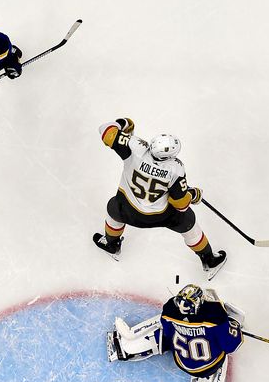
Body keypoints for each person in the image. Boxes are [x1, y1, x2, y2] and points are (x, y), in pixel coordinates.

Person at [93, 117, 227, 280]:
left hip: (127, 209)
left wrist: (124, 123)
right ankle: (209, 260)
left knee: (114, 208)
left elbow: (106, 131)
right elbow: (180, 205)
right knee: (188, 221)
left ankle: (112, 245)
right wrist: (192, 194)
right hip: (159, 217)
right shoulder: (176, 169)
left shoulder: (135, 147)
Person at [107, 284, 244, 382]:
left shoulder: (171, 310)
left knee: (163, 329)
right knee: (221, 353)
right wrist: (233, 325)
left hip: (181, 359)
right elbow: (232, 345)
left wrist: (185, 328)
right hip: (207, 366)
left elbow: (166, 330)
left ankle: (125, 345)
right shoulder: (215, 320)